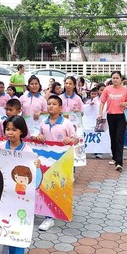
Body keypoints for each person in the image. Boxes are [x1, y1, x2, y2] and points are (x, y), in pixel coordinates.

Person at [0, 115, 40, 254]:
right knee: (4, 221)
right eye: (8, 129)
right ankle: (6, 243)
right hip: (3, 194)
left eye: (14, 129)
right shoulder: (0, 147)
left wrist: (37, 165)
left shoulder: (27, 151)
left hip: (20, 197)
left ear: (21, 131)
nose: (10, 132)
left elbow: (33, 173)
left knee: (19, 225)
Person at [32, 95, 79, 231]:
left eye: (54, 104)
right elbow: (38, 136)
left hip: (60, 161)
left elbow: (76, 139)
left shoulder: (66, 123)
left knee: (54, 187)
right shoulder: (43, 122)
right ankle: (44, 213)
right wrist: (39, 137)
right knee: (43, 184)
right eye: (49, 104)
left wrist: (70, 140)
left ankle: (50, 216)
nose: (51, 106)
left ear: (60, 108)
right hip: (44, 160)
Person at [97, 71, 127, 172]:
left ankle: (119, 162)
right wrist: (100, 113)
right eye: (113, 78)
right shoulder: (107, 89)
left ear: (121, 79)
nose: (115, 80)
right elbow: (102, 102)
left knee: (119, 138)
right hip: (110, 116)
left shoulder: (125, 90)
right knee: (113, 137)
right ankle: (115, 157)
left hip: (122, 116)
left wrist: (125, 103)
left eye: (117, 78)